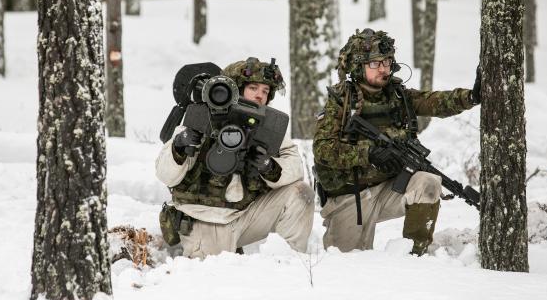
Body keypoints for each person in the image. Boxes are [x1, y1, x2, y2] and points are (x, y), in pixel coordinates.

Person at [313, 28, 481, 255]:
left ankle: (415, 253)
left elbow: (433, 102)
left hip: (389, 190)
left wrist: (471, 97)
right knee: (345, 263)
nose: (383, 68)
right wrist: (368, 154)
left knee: (429, 182)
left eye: (387, 61)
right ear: (358, 66)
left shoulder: (398, 95)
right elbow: (323, 149)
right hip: (351, 196)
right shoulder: (342, 101)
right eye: (375, 63)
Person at [156, 57, 315, 258]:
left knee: (301, 194)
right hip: (204, 218)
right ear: (237, 88)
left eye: (265, 92)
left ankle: (289, 263)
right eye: (254, 88)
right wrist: (180, 145)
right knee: (216, 280)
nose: (260, 96)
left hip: (245, 217)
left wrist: (269, 167)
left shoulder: (268, 127)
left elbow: (295, 166)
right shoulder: (201, 116)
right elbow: (165, 174)